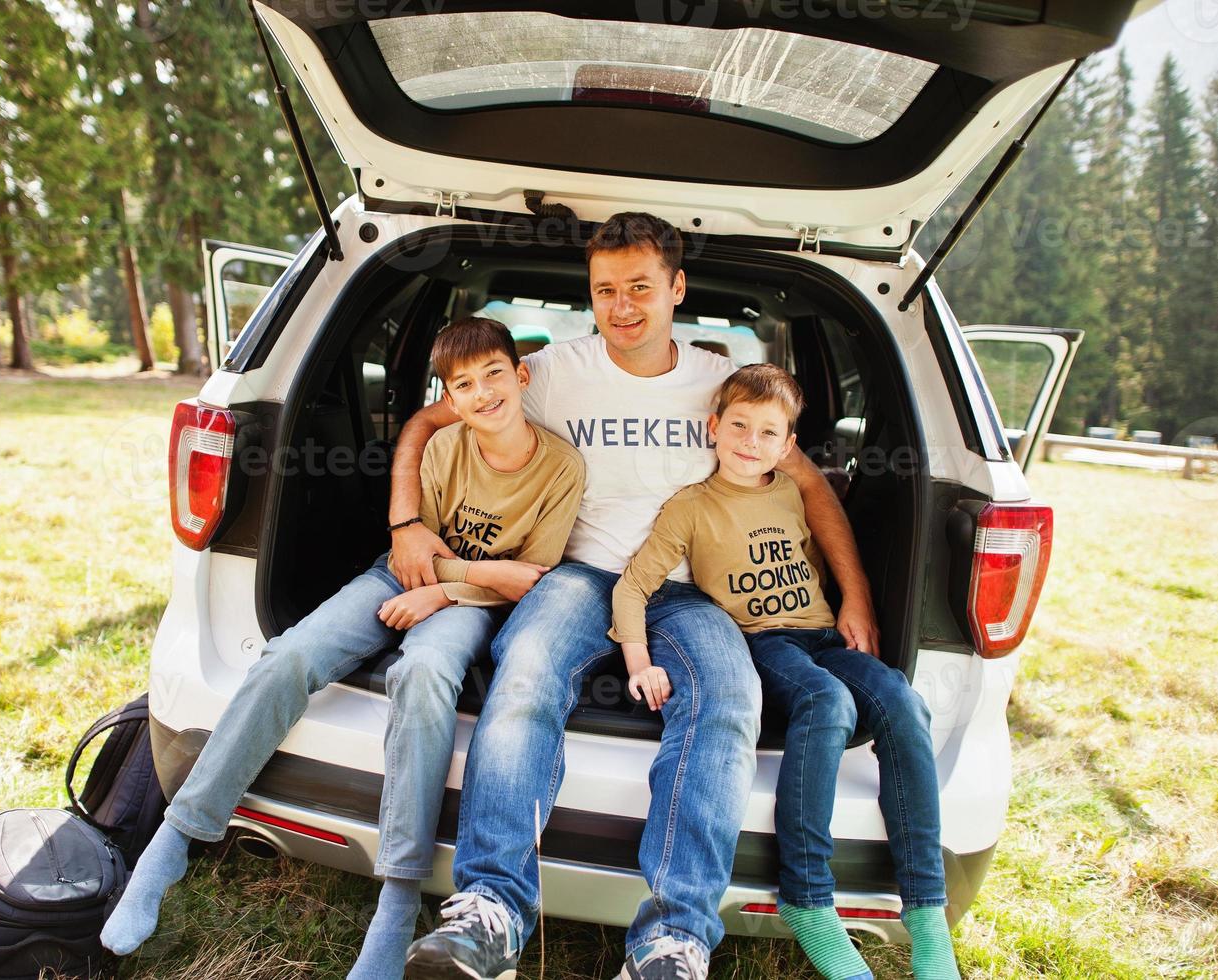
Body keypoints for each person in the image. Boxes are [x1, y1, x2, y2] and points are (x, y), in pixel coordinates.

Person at [396, 213, 879, 980]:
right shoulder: (550, 370)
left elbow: (809, 485)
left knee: (728, 697)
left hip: (688, 594)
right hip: (579, 577)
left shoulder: (716, 383)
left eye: (641, 288)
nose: (622, 307)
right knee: (523, 675)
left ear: (676, 289)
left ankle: (672, 940)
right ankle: (491, 911)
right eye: (604, 290)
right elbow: (430, 418)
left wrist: (856, 597)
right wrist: (405, 523)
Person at [100, 317, 584, 980]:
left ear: (520, 375)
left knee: (422, 676)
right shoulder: (444, 446)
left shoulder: (561, 466)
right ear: (448, 395)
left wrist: (444, 591)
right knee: (290, 656)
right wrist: (447, 573)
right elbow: (417, 550)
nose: (482, 394)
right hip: (408, 575)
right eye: (463, 385)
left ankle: (398, 894)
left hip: (469, 603)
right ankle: (176, 836)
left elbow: (528, 577)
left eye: (494, 375)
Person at [611, 363, 959, 980]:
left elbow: (831, 544)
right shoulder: (691, 506)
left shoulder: (794, 490)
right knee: (828, 702)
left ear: (788, 444)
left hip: (821, 633)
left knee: (903, 703)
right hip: (763, 642)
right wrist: (637, 658)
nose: (751, 442)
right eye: (739, 426)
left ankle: (928, 914)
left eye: (769, 433)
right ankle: (808, 897)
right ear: (713, 427)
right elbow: (634, 586)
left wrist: (857, 600)